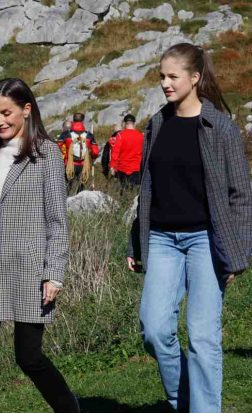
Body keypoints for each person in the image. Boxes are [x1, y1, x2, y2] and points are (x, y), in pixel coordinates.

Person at [127, 43, 252, 413]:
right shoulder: (156, 125)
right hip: (162, 240)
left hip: (205, 242)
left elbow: (241, 196)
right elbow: (146, 190)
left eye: (172, 76)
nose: (165, 83)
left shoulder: (221, 129)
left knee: (202, 337)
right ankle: (184, 400)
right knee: (153, 329)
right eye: (161, 76)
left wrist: (237, 254)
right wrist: (136, 244)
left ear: (194, 78)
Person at [0, 78, 79, 413]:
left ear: (26, 109)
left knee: (29, 356)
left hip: (29, 269)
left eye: (6, 113)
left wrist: (54, 273)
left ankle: (69, 408)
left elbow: (56, 220)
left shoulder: (47, 154)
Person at [58, 112, 99, 194]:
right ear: (83, 121)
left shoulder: (66, 134)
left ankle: (66, 204)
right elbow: (95, 152)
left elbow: (57, 147)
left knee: (67, 187)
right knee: (81, 189)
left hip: (69, 164)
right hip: (84, 165)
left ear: (73, 120)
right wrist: (92, 157)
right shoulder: (89, 135)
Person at [110, 113, 143, 190]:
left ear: (125, 124)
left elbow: (115, 152)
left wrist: (112, 166)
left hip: (122, 169)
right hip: (136, 168)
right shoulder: (141, 136)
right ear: (134, 123)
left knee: (123, 191)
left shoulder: (120, 135)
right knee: (134, 192)